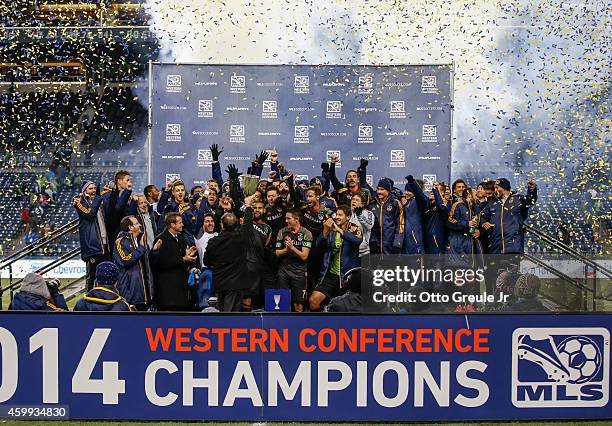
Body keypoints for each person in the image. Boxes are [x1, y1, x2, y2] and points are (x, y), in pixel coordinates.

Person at [309, 205, 362, 311]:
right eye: (336, 214)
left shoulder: (355, 228)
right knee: (313, 301)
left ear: (348, 217)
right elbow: (319, 246)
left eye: (340, 215)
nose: (337, 217)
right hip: (330, 275)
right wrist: (325, 231)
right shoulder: (331, 230)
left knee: (343, 308)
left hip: (346, 277)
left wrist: (338, 229)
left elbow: (357, 241)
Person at [150, 212, 198, 311]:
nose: (182, 225)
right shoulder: (161, 239)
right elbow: (161, 263)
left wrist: (189, 258)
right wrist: (183, 259)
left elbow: (185, 258)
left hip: (181, 291)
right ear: (172, 225)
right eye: (180, 222)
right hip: (167, 294)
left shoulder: (181, 238)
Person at [203, 212, 250, 312]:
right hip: (235, 285)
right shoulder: (241, 237)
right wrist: (249, 207)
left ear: (222, 225)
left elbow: (206, 262)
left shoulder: (213, 242)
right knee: (230, 318)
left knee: (221, 316)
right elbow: (247, 224)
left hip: (219, 284)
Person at [480, 178, 538, 254]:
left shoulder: (518, 199)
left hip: (513, 247)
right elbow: (482, 216)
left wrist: (532, 189)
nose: (495, 190)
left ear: (504, 188)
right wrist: (484, 223)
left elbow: (531, 200)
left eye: (497, 188)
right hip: (496, 247)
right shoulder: (493, 202)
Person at [113, 216, 157, 310]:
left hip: (144, 292)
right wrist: (141, 249)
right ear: (130, 227)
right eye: (137, 223)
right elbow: (125, 260)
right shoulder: (120, 241)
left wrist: (154, 250)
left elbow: (146, 263)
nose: (140, 225)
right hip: (130, 292)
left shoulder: (139, 240)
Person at [74, 181, 110, 291]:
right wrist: (98, 199)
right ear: (84, 191)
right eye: (90, 189)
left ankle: (103, 296)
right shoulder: (79, 201)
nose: (93, 190)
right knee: (91, 275)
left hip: (104, 243)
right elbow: (89, 214)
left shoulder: (99, 202)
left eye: (94, 188)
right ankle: (88, 299)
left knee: (105, 275)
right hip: (92, 245)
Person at [275, 209, 313, 312]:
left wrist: (292, 248)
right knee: (282, 302)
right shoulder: (282, 232)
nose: (286, 221)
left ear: (297, 219)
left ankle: (298, 326)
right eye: (285, 218)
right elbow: (277, 253)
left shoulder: (306, 233)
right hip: (283, 271)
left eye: (289, 218)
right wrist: (286, 250)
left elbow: (304, 256)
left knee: (298, 304)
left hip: (299, 272)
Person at [368, 178, 404, 254]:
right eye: (378, 189)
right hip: (375, 246)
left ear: (388, 191)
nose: (379, 192)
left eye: (382, 189)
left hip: (391, 246)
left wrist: (397, 242)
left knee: (390, 266)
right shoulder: (372, 204)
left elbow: (400, 224)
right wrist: (372, 240)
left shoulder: (395, 203)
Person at [401, 176, 425, 255]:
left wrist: (412, 182)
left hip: (416, 243)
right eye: (406, 190)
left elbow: (421, 196)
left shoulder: (420, 202)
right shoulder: (408, 203)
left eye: (409, 190)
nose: (406, 193)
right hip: (406, 243)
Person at [349, 192, 374, 257]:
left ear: (362, 204)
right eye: (353, 199)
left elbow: (369, 226)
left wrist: (359, 215)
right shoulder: (347, 213)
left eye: (357, 200)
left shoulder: (369, 213)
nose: (354, 201)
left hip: (363, 251)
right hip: (349, 251)